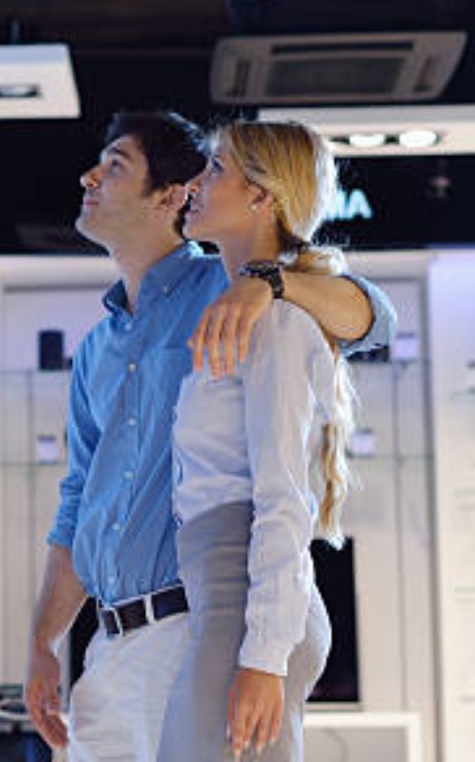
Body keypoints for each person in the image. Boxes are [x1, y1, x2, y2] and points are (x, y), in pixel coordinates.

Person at [24, 111, 395, 762]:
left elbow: (376, 318)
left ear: (169, 196)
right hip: (108, 643)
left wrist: (268, 282)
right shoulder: (94, 351)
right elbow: (79, 501)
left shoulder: (228, 289)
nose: (88, 176)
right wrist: (42, 642)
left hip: (193, 621)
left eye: (114, 165)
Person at [160, 120, 355, 761]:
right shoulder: (240, 309)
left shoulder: (276, 321)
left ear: (261, 197)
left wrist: (265, 657)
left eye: (215, 169)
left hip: (245, 610)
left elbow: (282, 498)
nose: (195, 183)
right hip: (231, 602)